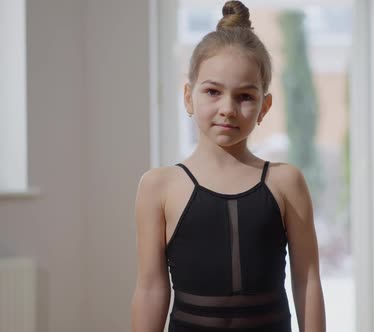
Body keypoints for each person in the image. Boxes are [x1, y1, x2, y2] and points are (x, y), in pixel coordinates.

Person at [131, 1, 326, 331]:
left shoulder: (286, 183)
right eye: (212, 91)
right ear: (189, 97)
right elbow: (151, 289)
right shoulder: (158, 187)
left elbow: (307, 282)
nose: (228, 108)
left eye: (245, 97)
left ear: (265, 107)